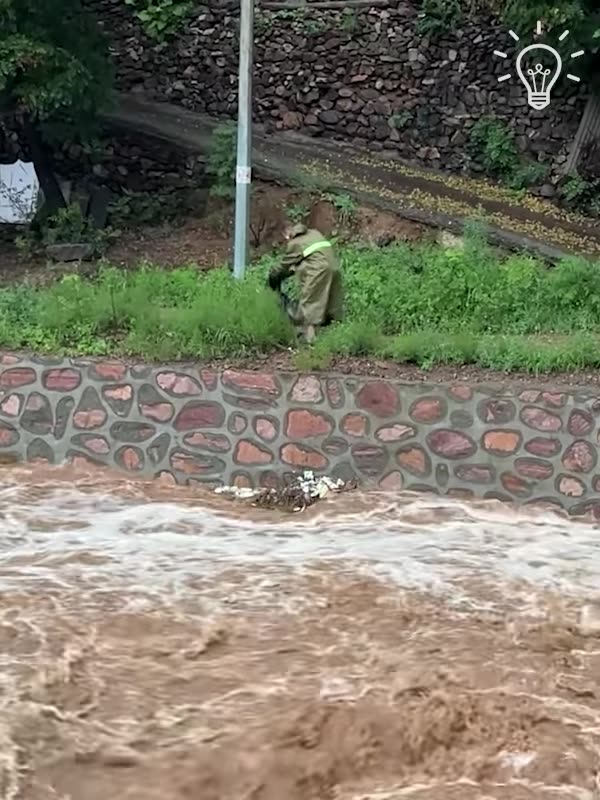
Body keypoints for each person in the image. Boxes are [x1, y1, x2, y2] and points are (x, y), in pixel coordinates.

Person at [267, 222, 343, 342]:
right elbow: (308, 258)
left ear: (287, 234)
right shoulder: (314, 233)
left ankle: (310, 339)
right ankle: (335, 336)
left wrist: (273, 277)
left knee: (310, 304)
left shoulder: (295, 243)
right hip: (334, 268)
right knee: (330, 304)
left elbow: (285, 265)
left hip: (318, 270)